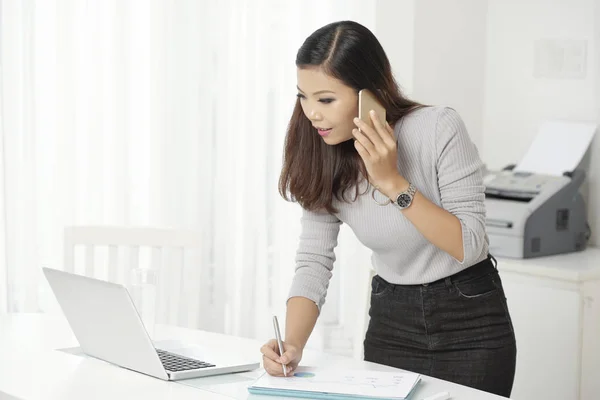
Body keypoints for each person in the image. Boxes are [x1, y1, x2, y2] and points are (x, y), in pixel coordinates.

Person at [259, 20, 516, 397]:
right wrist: (293, 345)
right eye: (303, 96)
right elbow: (314, 260)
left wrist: (392, 182)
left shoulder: (437, 129)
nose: (311, 113)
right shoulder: (321, 150)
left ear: (370, 94)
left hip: (470, 320)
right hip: (391, 321)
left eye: (326, 99)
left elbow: (470, 244)